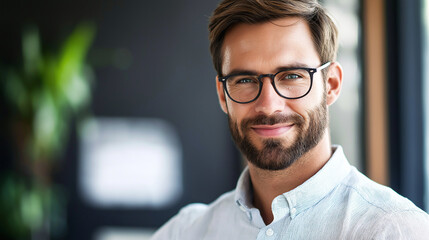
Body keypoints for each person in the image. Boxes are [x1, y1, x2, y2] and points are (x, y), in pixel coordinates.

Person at [151, 0, 429, 239]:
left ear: (330, 84)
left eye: (292, 76)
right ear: (223, 95)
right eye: (245, 80)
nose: (269, 106)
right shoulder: (185, 232)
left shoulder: (393, 230)